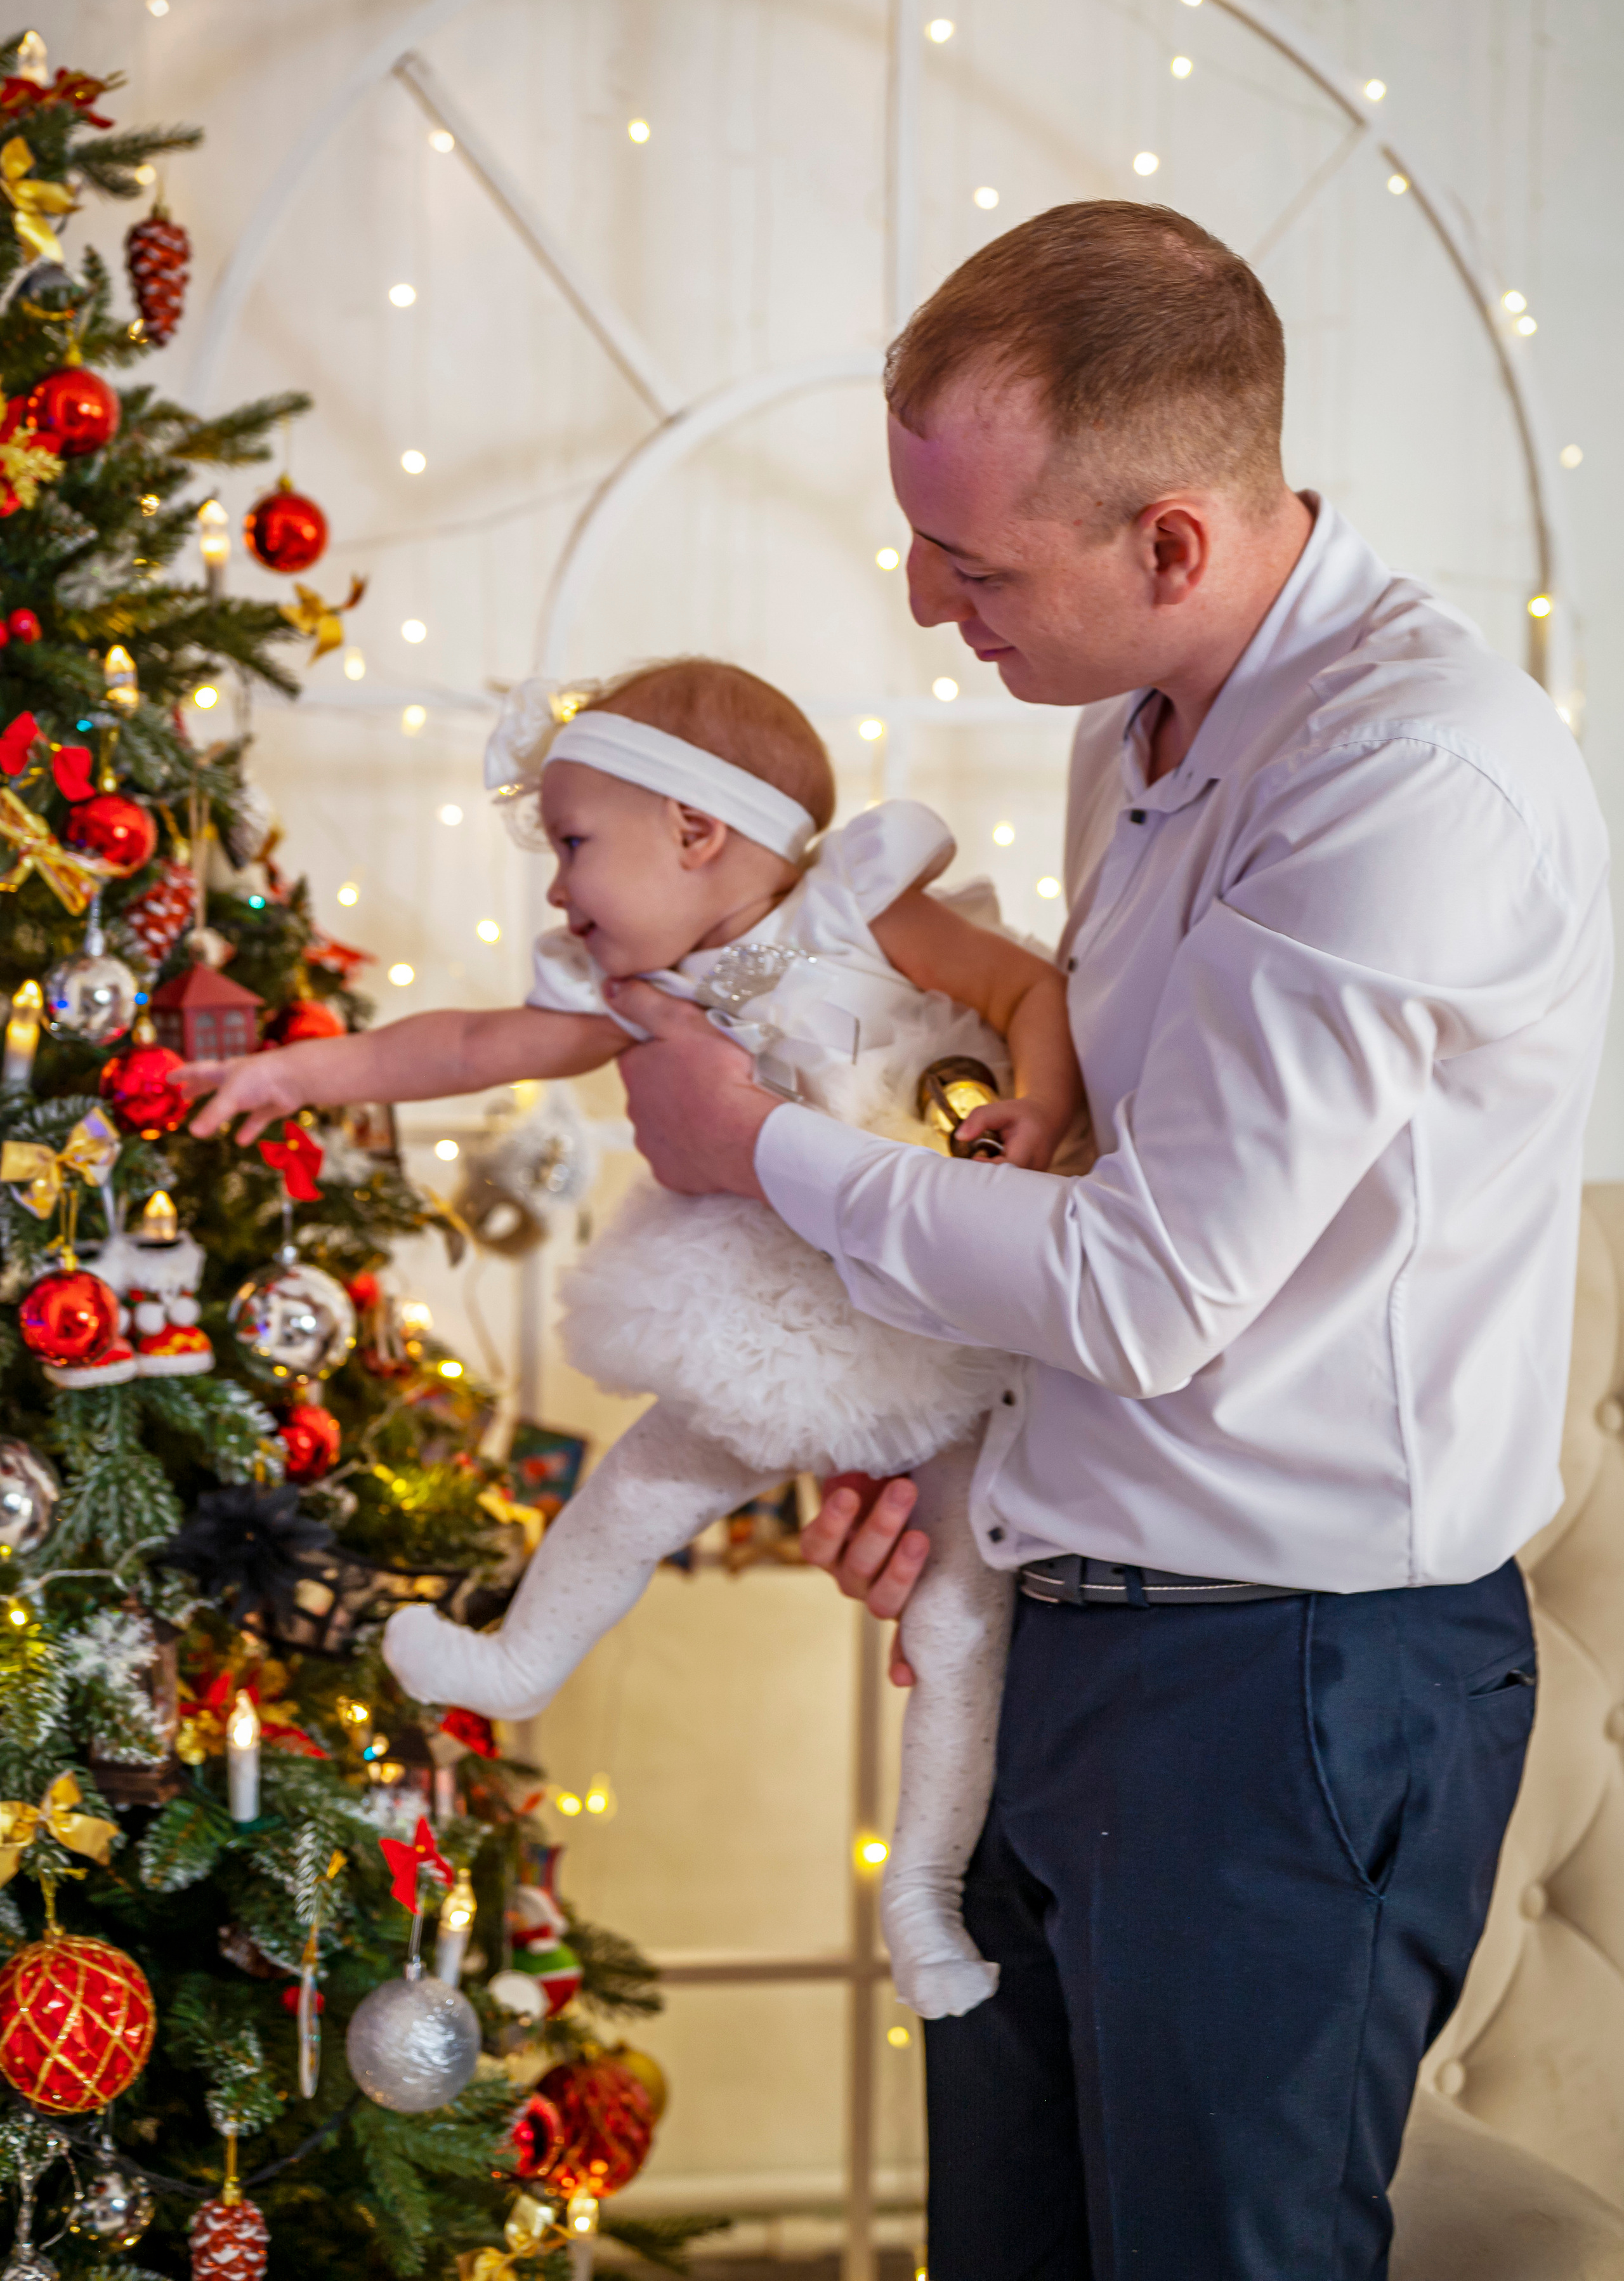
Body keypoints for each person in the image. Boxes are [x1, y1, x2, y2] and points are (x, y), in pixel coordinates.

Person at [599, 202, 1613, 2280]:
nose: (924, 599)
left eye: (974, 564)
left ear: (1169, 540)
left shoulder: (1402, 774)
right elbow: (1148, 1171)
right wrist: (970, 1478)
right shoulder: (1128, 725)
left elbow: (1157, 1288)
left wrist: (768, 1147)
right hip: (1088, 1628)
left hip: (1294, 1677)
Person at [180, 654, 1085, 2021]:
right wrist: (296, 1072)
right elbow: (473, 1043)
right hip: (775, 1315)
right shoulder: (637, 994)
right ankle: (522, 1652)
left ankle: (923, 1892)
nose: (554, 887)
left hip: (946, 1315)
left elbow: (1031, 993)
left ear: (695, 829)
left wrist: (1037, 1107)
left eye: (571, 843)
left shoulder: (864, 906)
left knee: (962, 1619)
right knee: (639, 1488)